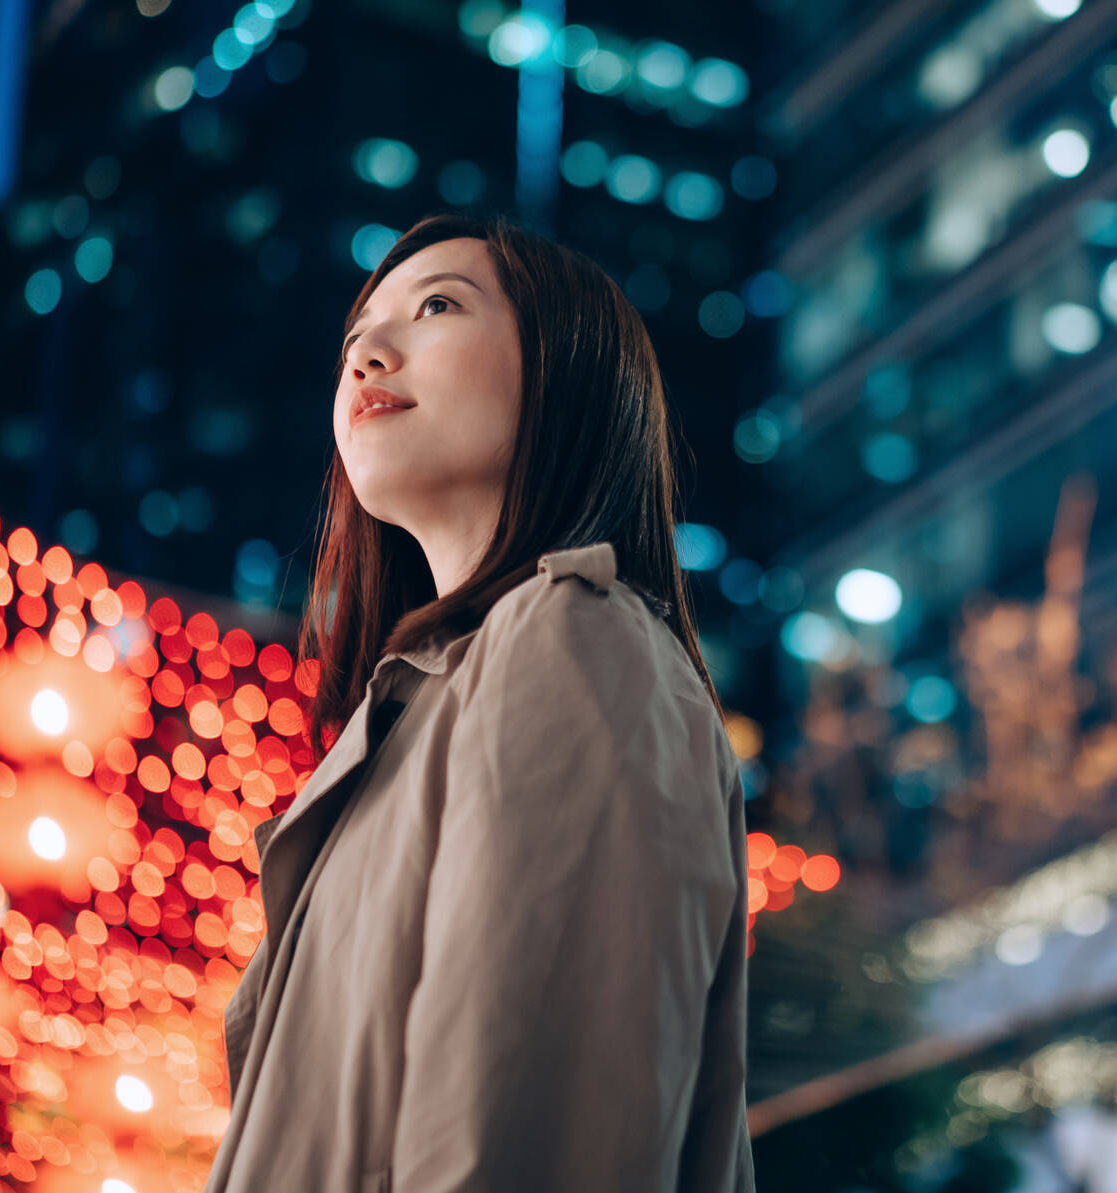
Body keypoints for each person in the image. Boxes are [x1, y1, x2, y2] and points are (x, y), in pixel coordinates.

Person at [202, 211, 757, 1193]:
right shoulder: (417, 715)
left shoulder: (578, 637)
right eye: (355, 337)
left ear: (567, 374)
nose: (369, 351)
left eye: (438, 305)